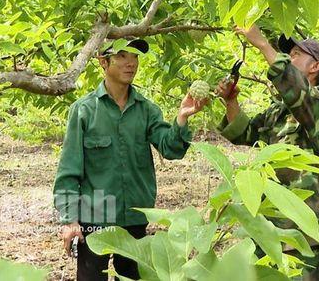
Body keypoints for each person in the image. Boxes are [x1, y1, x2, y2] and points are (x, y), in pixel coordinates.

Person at [53, 39, 207, 281]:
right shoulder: (84, 111)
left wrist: (181, 119)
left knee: (135, 277)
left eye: (134, 56)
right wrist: (69, 219)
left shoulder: (146, 110)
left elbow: (171, 149)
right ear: (104, 62)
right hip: (96, 217)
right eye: (122, 56)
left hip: (136, 215)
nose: (131, 63)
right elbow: (69, 170)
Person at [216, 25, 319, 281]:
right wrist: (231, 101)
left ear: (315, 67)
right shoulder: (277, 111)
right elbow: (244, 133)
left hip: (303, 231)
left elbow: (299, 96)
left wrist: (262, 44)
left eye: (295, 54)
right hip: (269, 226)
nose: (288, 58)